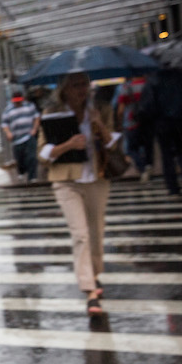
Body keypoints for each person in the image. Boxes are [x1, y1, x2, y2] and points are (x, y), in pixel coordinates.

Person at [38, 72, 119, 317]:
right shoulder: (52, 114)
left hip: (97, 179)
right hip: (66, 181)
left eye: (84, 84)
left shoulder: (102, 109)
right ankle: (90, 292)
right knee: (81, 234)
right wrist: (68, 146)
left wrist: (100, 125)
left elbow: (113, 145)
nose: (81, 89)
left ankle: (93, 275)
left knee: (96, 232)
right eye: (75, 85)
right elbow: (42, 155)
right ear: (64, 88)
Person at [139, 69, 182, 197]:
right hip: (181, 120)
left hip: (162, 123)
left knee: (167, 156)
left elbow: (147, 105)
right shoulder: (181, 76)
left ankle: (173, 187)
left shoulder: (153, 80)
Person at [112, 77, 153, 182]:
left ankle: (142, 167)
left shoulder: (126, 87)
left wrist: (119, 123)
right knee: (147, 145)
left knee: (131, 149)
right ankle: (148, 164)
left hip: (131, 122)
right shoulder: (148, 84)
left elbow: (120, 110)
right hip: (148, 120)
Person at [0, 90, 41, 182]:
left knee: (31, 156)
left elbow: (37, 117)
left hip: (29, 135)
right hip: (16, 138)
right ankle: (21, 172)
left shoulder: (29, 106)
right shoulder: (8, 110)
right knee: (20, 158)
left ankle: (32, 176)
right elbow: (4, 124)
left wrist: (34, 129)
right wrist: (8, 133)